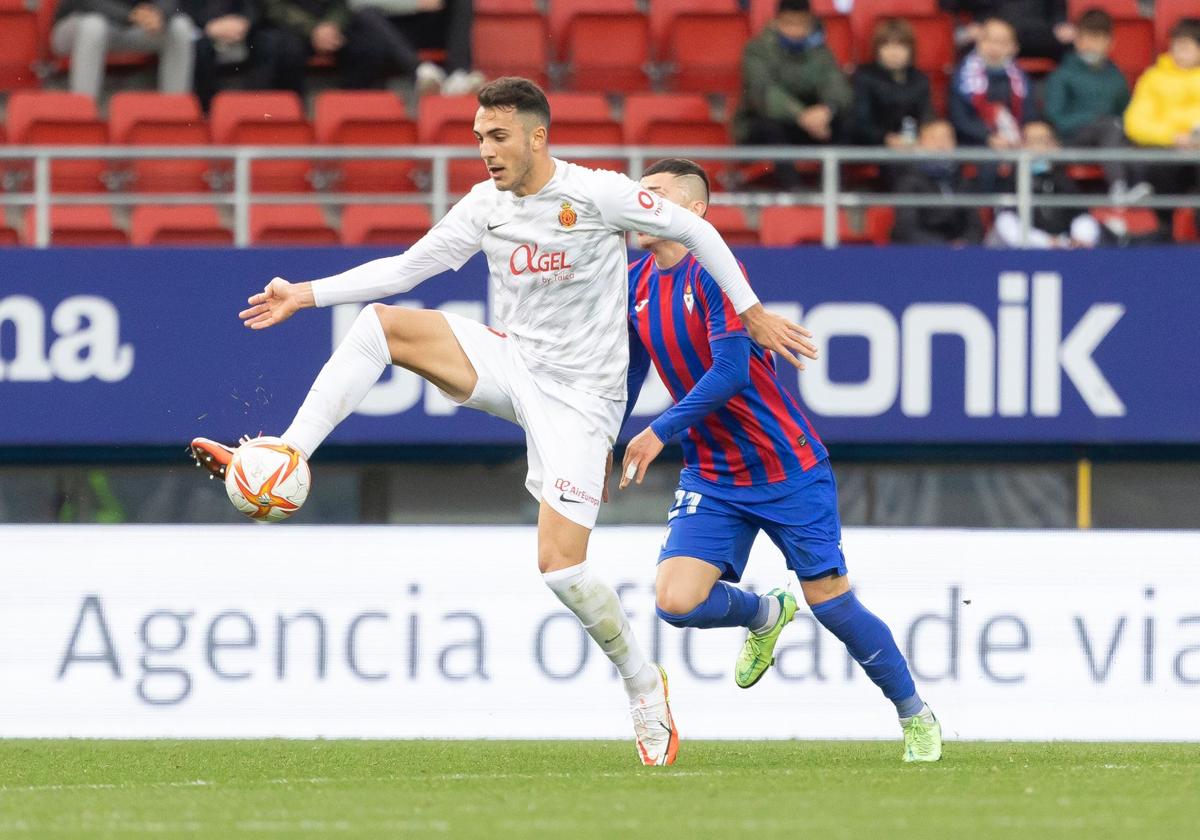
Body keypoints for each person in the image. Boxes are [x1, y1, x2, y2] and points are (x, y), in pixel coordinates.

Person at [189, 77, 816, 766]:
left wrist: (751, 309)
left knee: (559, 569)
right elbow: (406, 270)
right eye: (479, 137)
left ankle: (642, 683)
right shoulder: (484, 206)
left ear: (535, 137)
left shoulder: (595, 192)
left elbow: (694, 227)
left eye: (497, 136)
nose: (485, 149)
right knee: (379, 327)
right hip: (515, 363)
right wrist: (305, 294)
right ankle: (288, 455)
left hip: (583, 401)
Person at [618, 157, 941, 763]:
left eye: (654, 194)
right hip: (713, 476)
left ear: (693, 211)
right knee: (675, 602)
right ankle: (766, 614)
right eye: (638, 193)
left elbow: (733, 372)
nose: (640, 203)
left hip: (785, 467)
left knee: (835, 606)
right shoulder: (634, 282)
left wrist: (658, 432)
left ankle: (914, 713)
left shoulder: (717, 269)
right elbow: (633, 370)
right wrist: (609, 433)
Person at [733, 0, 852, 186]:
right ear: (776, 22)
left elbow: (837, 87)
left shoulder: (821, 52)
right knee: (770, 127)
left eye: (801, 24)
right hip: (765, 125)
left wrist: (827, 110)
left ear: (810, 23)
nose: (795, 31)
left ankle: (828, 190)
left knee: (844, 122)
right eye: (789, 24)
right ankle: (793, 191)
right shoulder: (756, 50)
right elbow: (762, 92)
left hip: (812, 126)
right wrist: (801, 115)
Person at [1044, 8, 1146, 202]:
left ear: (1110, 42)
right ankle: (1120, 186)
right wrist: (1094, 119)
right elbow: (1055, 116)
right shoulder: (1062, 74)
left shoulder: (1116, 77)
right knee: (1109, 126)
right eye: (1088, 38)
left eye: (1099, 39)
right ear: (1077, 40)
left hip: (1108, 140)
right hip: (1071, 141)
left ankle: (1141, 190)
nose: (1093, 45)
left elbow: (1124, 112)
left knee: (1126, 134)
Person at [1123, 18, 1200, 237]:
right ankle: (1165, 232)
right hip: (1167, 152)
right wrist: (1175, 137)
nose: (1181, 52)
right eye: (1177, 45)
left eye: (1187, 46)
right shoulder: (1153, 78)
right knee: (1159, 165)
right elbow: (1135, 123)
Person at [51, 0, 196, 100]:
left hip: (130, 26)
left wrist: (160, 14)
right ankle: (82, 111)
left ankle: (173, 111)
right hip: (77, 22)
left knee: (180, 28)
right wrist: (129, 14)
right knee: (93, 27)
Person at [989, 121, 1101, 248]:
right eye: (1032, 141)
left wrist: (1081, 238)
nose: (1038, 148)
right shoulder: (1010, 180)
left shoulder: (1064, 180)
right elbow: (1007, 223)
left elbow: (1081, 216)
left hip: (1064, 250)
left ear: (1056, 146)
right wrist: (1047, 242)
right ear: (1021, 146)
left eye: (1044, 141)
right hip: (1022, 253)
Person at [257, 0, 402, 94]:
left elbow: (342, 5)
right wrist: (313, 29)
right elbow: (274, 7)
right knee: (286, 51)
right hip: (290, 27)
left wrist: (333, 24)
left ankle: (349, 110)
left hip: (331, 25)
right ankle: (294, 113)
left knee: (369, 47)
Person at [183, 0, 297, 111]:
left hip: (245, 29)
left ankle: (260, 110)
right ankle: (206, 113)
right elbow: (183, 7)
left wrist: (245, 22)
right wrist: (208, 26)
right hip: (200, 30)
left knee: (273, 43)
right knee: (199, 48)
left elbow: (256, 6)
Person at [349, 0, 482, 95]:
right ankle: (420, 71)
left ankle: (458, 76)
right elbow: (357, 3)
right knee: (366, 13)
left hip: (427, 25)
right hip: (388, 29)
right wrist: (414, 4)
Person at [891, 120, 985, 245]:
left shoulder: (962, 180)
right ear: (920, 144)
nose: (941, 145)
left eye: (947, 138)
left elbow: (975, 226)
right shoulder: (908, 181)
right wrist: (943, 247)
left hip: (960, 254)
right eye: (934, 139)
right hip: (922, 255)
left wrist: (965, 243)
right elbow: (907, 229)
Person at [950, 16, 1031, 150]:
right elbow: (960, 119)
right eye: (988, 40)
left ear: (1014, 47)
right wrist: (988, 137)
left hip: (1016, 143)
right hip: (976, 144)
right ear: (978, 42)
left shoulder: (1021, 78)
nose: (993, 47)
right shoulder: (962, 76)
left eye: (1001, 42)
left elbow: (1029, 115)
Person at [851, 18, 934, 148]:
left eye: (900, 46)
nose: (893, 53)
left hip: (914, 146)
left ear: (911, 50)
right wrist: (887, 138)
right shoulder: (864, 77)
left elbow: (927, 116)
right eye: (887, 45)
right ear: (877, 49)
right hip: (875, 147)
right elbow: (860, 122)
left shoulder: (920, 79)